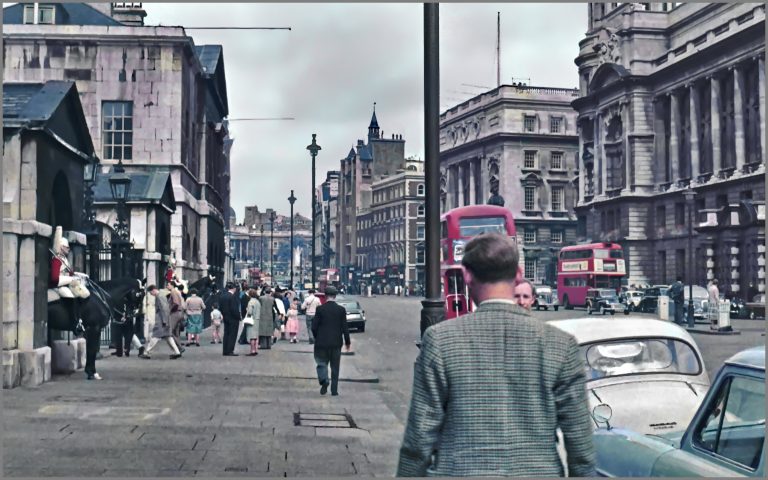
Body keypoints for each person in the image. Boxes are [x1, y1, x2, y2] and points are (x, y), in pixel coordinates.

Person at [396, 233, 595, 477]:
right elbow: (580, 446)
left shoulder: (440, 340)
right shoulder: (561, 345)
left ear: (467, 274)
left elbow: (419, 439)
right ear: (519, 274)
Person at [311, 286, 351, 396]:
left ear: (325, 296)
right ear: (335, 296)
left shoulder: (320, 309)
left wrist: (317, 337)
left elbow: (314, 327)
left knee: (321, 362)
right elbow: (345, 328)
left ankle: (324, 380)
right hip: (336, 343)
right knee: (335, 367)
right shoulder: (341, 310)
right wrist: (347, 342)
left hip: (321, 342)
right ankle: (334, 390)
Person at [139, 285, 182, 359]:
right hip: (165, 319)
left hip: (161, 320)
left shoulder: (159, 297)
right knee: (168, 337)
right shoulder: (162, 295)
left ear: (153, 290)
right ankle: (177, 352)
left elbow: (163, 309)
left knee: (155, 336)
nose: (151, 294)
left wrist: (164, 321)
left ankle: (147, 352)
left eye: (150, 292)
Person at [220, 282, 241, 356]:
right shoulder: (232, 297)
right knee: (232, 334)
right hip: (233, 318)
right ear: (234, 289)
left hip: (226, 317)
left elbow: (221, 307)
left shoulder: (223, 296)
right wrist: (239, 316)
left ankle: (225, 350)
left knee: (226, 334)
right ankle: (230, 350)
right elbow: (234, 309)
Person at [166, 281, 185, 348]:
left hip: (175, 313)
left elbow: (176, 303)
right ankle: (178, 347)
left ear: (172, 285)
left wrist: (170, 309)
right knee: (176, 332)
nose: (167, 286)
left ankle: (179, 347)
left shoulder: (173, 292)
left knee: (170, 331)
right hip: (179, 312)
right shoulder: (177, 292)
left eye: (168, 285)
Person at [244, 288, 261, 356]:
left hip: (252, 320)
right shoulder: (257, 301)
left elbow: (250, 312)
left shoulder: (251, 302)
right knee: (256, 336)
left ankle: (252, 350)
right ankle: (256, 349)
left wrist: (247, 310)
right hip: (257, 319)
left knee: (251, 336)